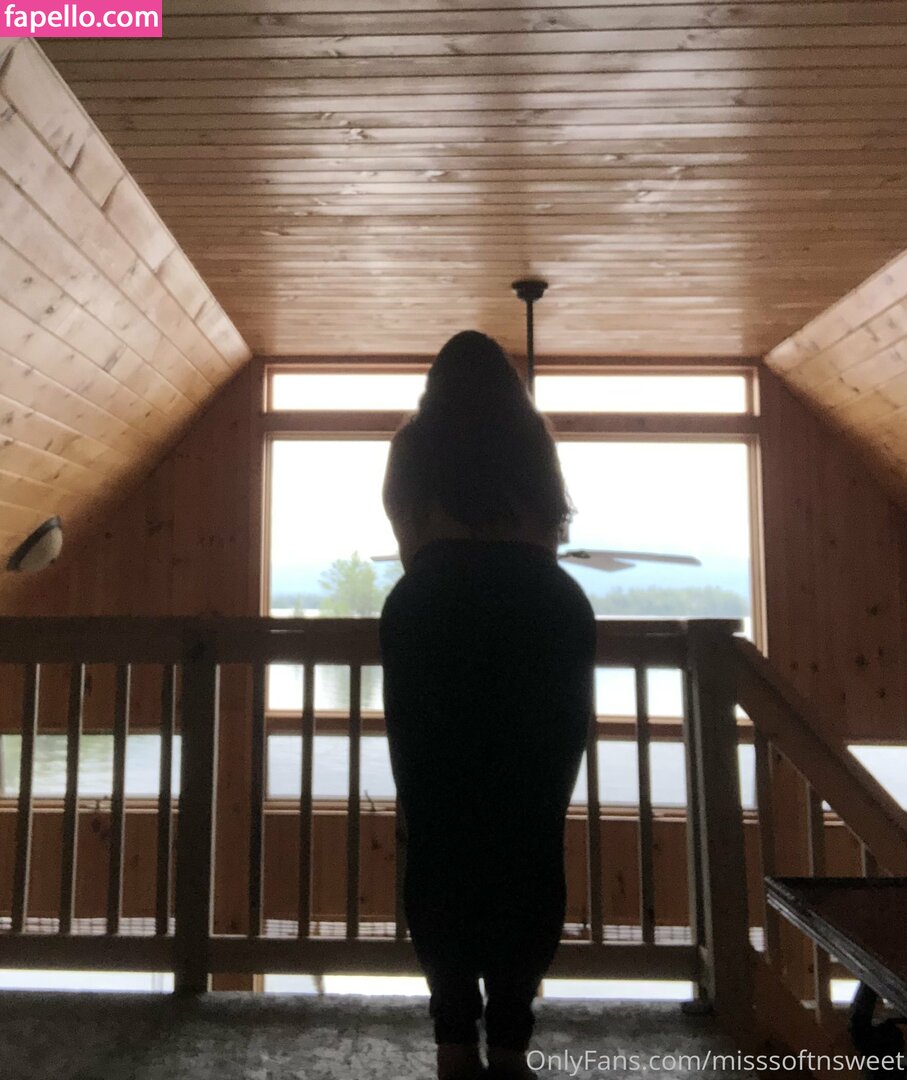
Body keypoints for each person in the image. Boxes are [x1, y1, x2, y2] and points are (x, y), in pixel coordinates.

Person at [379, 331, 597, 1080]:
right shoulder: (532, 443)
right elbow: (550, 535)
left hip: (431, 614)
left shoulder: (412, 446)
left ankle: (453, 1041)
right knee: (531, 833)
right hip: (543, 614)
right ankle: (509, 1039)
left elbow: (409, 542)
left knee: (437, 830)